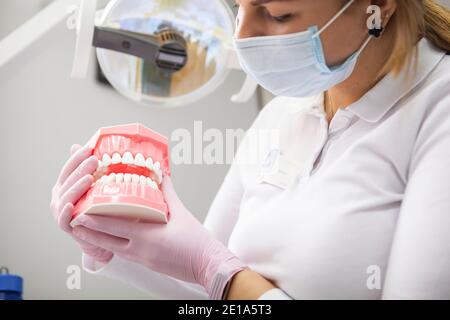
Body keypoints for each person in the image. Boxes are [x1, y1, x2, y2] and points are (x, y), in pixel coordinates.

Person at [50, 0, 450, 299]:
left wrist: (215, 270)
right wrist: (113, 244)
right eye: (238, 6)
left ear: (376, 7)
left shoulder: (437, 108)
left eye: (276, 14)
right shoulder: (281, 113)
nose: (242, 37)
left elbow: (218, 278)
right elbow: (209, 292)